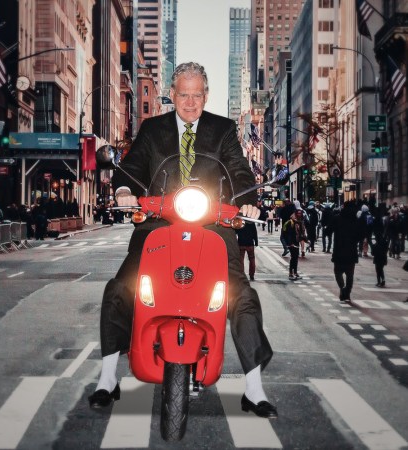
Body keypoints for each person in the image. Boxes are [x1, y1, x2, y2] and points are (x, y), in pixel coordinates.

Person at [89, 62, 277, 418]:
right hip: (157, 226)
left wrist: (246, 200)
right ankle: (108, 376)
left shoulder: (222, 129)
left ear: (206, 96)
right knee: (120, 287)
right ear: (171, 95)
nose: (190, 102)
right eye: (183, 94)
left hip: (213, 228)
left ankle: (254, 388)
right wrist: (126, 190)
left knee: (241, 294)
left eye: (197, 95)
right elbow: (130, 167)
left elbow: (237, 169)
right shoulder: (153, 128)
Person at [331, 202, 360, 302]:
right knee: (350, 274)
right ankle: (347, 292)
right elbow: (360, 235)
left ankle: (342, 288)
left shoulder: (337, 218)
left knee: (337, 272)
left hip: (339, 250)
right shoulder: (355, 220)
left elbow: (329, 230)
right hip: (351, 251)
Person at [282, 208, 307, 280]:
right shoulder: (291, 222)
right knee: (293, 258)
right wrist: (290, 243)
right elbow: (288, 234)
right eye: (298, 213)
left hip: (296, 242)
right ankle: (291, 273)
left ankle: (295, 272)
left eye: (300, 213)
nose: (299, 214)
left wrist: (305, 239)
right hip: (291, 243)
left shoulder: (299, 222)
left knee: (295, 258)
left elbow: (300, 232)